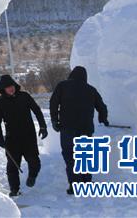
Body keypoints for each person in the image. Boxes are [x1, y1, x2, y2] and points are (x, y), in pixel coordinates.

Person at [49, 65, 109, 195]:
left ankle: (75, 185)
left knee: (70, 156)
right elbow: (102, 107)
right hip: (85, 129)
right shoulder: (91, 89)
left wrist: (54, 120)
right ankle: (87, 182)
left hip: (67, 128)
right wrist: (103, 119)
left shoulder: (62, 86)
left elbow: (53, 102)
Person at [0, 74, 48, 197]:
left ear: (15, 85)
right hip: (12, 139)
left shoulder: (24, 96)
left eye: (12, 86)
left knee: (34, 161)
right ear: (3, 89)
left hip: (28, 136)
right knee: (12, 166)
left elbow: (37, 111)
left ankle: (32, 176)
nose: (10, 88)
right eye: (7, 87)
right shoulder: (0, 101)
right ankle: (14, 190)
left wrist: (43, 126)